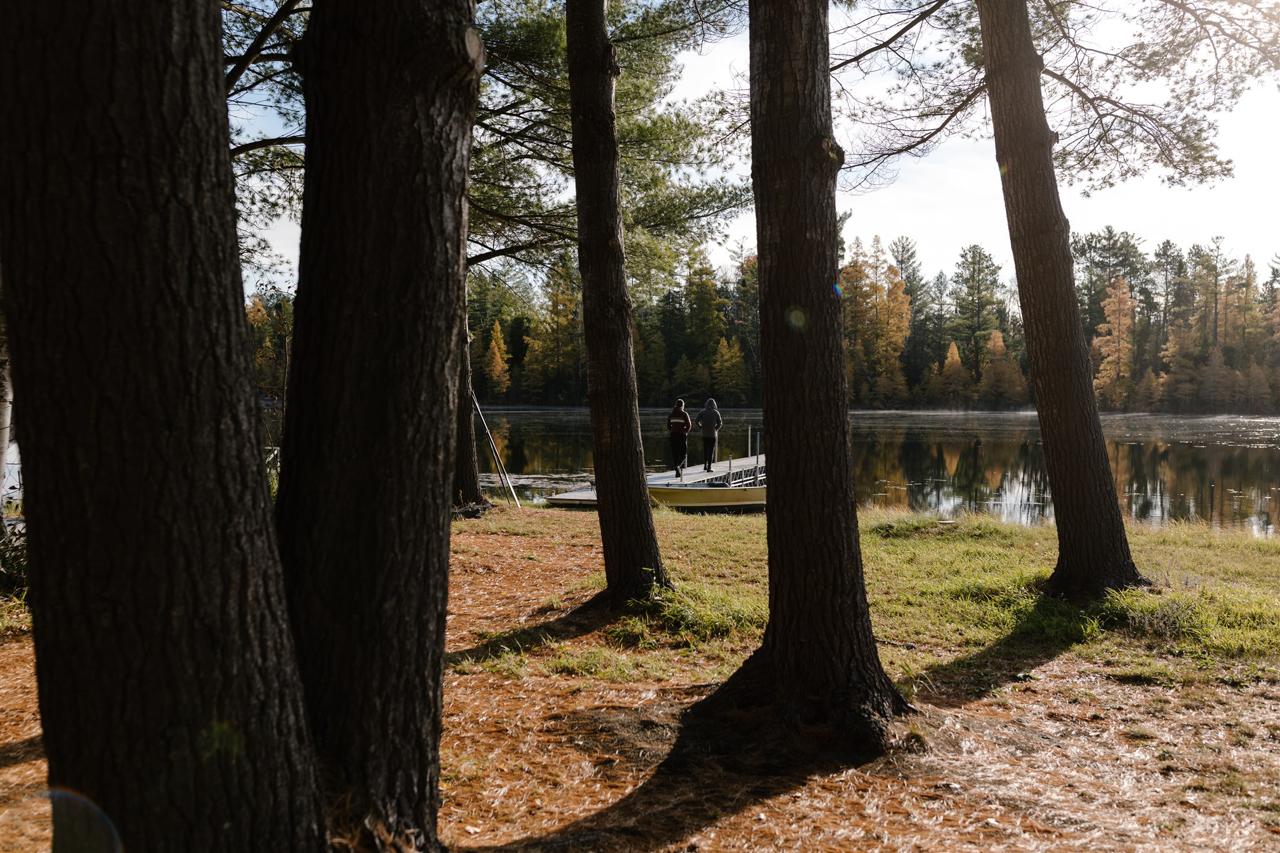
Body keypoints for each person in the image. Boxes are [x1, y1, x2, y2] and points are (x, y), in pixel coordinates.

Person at [695, 398, 722, 472]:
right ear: (714, 405)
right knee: (711, 451)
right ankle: (709, 467)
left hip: (704, 434)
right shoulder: (716, 412)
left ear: (706, 404)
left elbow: (696, 421)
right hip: (713, 434)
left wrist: (700, 426)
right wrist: (716, 429)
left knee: (705, 450)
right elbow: (720, 423)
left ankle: (705, 465)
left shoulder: (702, 412)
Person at [667, 399, 691, 477]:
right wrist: (685, 432)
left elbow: (668, 426)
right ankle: (678, 467)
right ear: (682, 405)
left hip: (673, 435)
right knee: (684, 454)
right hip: (681, 435)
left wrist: (673, 430)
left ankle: (677, 471)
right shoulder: (684, 414)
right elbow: (689, 425)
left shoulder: (671, 414)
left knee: (675, 453)